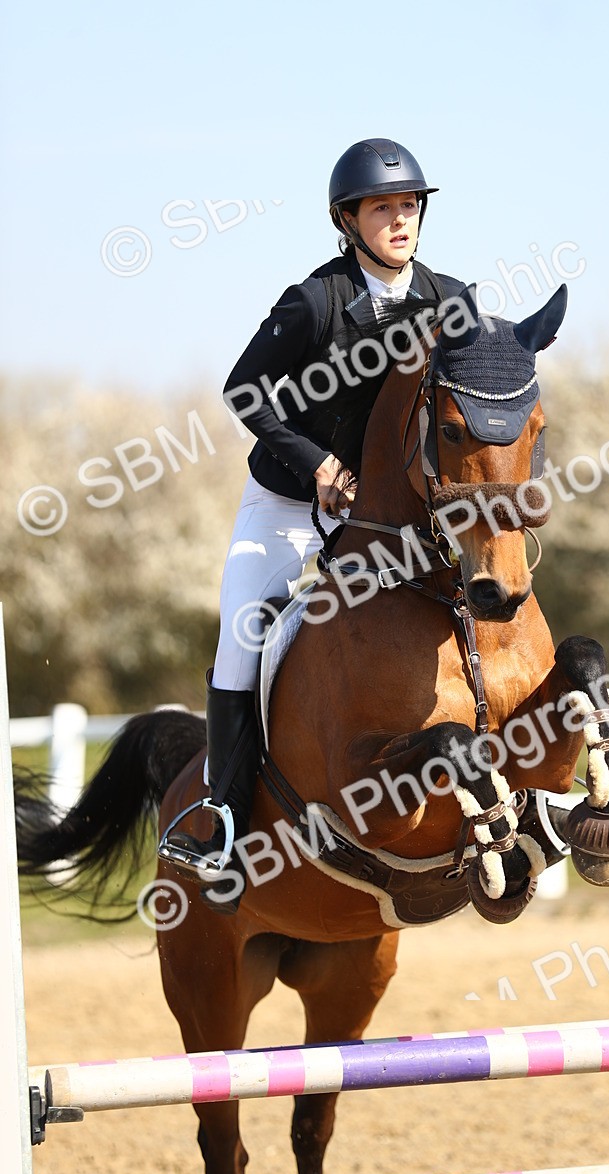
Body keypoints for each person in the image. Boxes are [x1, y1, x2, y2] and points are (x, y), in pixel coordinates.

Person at [159, 138, 466, 911]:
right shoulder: (315, 300)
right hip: (293, 503)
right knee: (243, 630)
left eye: (409, 206)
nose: (401, 220)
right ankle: (222, 817)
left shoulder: (447, 296)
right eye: (383, 209)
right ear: (349, 220)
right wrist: (318, 467)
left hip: (386, 515)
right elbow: (245, 391)